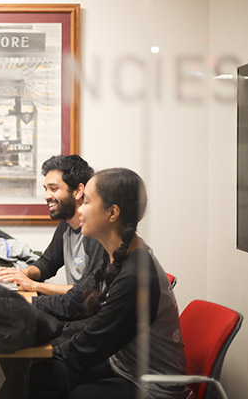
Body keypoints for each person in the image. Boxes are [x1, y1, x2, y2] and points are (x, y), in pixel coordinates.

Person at [20, 168, 189, 399]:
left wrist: (46, 349)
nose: (79, 209)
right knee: (42, 375)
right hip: (123, 365)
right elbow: (82, 303)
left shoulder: (136, 277)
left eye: (87, 202)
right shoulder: (116, 257)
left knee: (72, 388)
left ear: (112, 213)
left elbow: (94, 343)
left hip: (150, 386)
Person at [0, 154, 105, 294]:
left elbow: (90, 291)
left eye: (53, 189)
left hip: (87, 312)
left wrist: (34, 286)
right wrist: (21, 274)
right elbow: (48, 263)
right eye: (46, 189)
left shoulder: (96, 232)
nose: (46, 196)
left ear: (78, 191)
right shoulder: (66, 225)